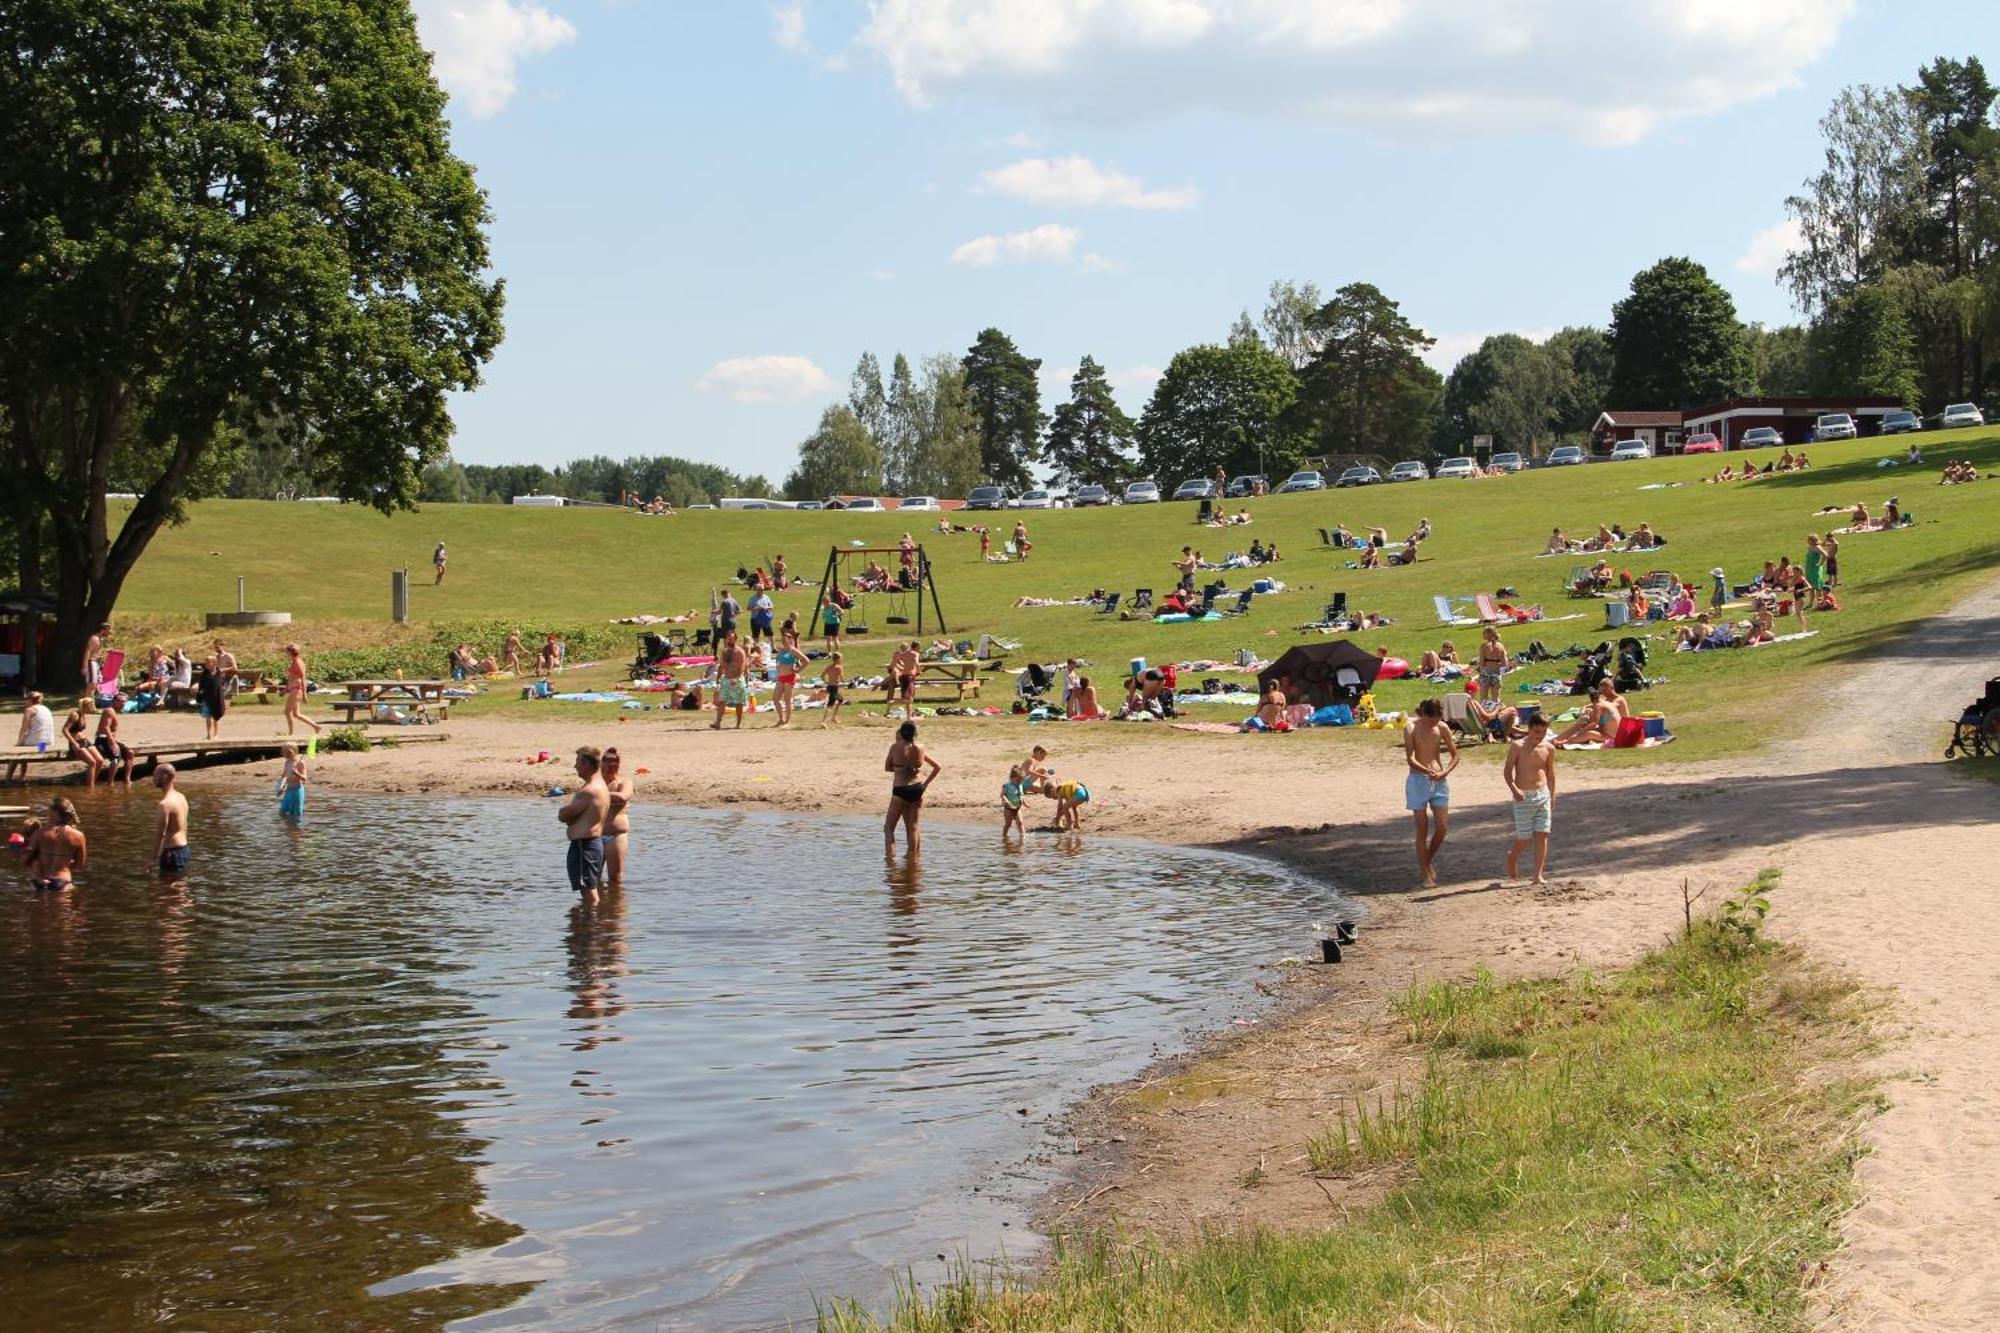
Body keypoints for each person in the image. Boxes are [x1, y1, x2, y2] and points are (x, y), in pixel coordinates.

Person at [1404, 698, 1458, 888]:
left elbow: (1455, 755)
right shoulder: (1411, 728)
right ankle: (1426, 874)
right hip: (1418, 780)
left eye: (1436, 719)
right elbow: (1410, 758)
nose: (1433, 723)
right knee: (1422, 830)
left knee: (1442, 827)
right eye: (1430, 720)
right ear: (1423, 715)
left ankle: (1426, 862)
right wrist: (1426, 771)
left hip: (1439, 780)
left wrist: (1444, 772)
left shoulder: (1442, 727)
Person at [1503, 714, 1557, 884]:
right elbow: (1507, 772)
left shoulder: (1548, 748)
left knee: (1543, 834)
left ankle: (1537, 875)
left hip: (1543, 795)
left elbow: (1551, 774)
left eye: (1542, 732)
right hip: (1523, 797)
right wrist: (1515, 790)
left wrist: (1552, 795)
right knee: (1525, 839)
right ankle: (1512, 857)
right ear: (1529, 729)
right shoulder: (1517, 746)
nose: (1538, 735)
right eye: (1535, 731)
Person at [557, 745, 611, 903]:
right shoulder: (599, 785)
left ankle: (591, 925)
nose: (575, 766)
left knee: (588, 890)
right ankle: (589, 923)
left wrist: (562, 813)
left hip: (585, 845)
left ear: (587, 765)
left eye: (577, 762)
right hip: (590, 844)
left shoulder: (590, 790)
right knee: (588, 888)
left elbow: (567, 813)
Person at [884, 721, 941, 854]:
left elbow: (887, 767)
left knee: (888, 828)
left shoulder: (895, 747)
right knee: (913, 828)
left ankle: (890, 862)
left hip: (900, 789)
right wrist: (925, 785)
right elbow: (937, 767)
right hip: (917, 788)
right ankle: (914, 862)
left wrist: (900, 768)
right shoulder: (920, 748)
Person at [25, 797, 86, 892]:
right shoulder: (78, 835)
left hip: (39, 881)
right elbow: (80, 864)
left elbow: (26, 860)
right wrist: (65, 865)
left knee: (38, 906)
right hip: (62, 881)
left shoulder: (39, 833)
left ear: (53, 813)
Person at [1556, 678, 1628, 746]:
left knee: (1588, 732)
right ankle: (1562, 738)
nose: (1604, 693)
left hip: (1613, 735)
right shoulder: (1605, 701)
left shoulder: (1614, 701)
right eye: (1602, 692)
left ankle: (1565, 741)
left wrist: (1580, 732)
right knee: (1583, 725)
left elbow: (1594, 723)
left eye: (1605, 691)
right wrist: (1584, 711)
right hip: (1610, 728)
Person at [6, 691, 55, 783]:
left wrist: (19, 743)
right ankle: (22, 776)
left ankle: (7, 779)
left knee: (17, 752)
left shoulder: (30, 710)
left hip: (37, 742)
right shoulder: (46, 708)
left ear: (30, 700)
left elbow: (24, 728)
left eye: (26, 700)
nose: (25, 702)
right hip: (47, 743)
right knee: (23, 749)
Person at [601, 746, 632, 891]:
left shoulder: (624, 783)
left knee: (615, 877)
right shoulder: (596, 783)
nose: (610, 764)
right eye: (606, 760)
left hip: (616, 836)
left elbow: (623, 797)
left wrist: (599, 795)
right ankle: (597, 910)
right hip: (596, 835)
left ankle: (616, 910)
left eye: (614, 761)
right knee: (593, 878)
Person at [154, 764, 190, 878]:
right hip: (184, 850)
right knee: (179, 890)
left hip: (172, 852)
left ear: (164, 777)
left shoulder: (165, 804)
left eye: (155, 775)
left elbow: (161, 834)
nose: (153, 778)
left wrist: (152, 859)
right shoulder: (181, 797)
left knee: (167, 892)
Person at [94, 696, 135, 787]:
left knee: (130, 753)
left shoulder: (115, 712)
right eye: (120, 701)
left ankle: (127, 780)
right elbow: (105, 727)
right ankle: (110, 783)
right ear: (114, 701)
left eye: (124, 702)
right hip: (102, 739)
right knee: (116, 757)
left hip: (110, 739)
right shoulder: (109, 711)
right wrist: (112, 743)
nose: (123, 704)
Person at [711, 632, 749, 729]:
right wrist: (718, 677)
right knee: (722, 701)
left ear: (735, 639)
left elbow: (742, 666)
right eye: (728, 638)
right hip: (726, 679)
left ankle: (738, 724)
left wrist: (736, 678)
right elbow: (721, 665)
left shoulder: (740, 651)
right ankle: (717, 723)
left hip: (737, 680)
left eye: (731, 638)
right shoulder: (725, 651)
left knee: (739, 703)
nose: (729, 640)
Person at [282, 642, 320, 736]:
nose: (286, 654)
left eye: (287, 652)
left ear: (291, 652)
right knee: (296, 714)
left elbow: (303, 678)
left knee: (287, 712)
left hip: (296, 690)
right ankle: (316, 727)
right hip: (293, 689)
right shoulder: (294, 662)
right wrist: (286, 689)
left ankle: (291, 734)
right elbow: (292, 678)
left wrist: (304, 694)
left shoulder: (298, 663)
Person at [63, 701, 103, 788]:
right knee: (92, 762)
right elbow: (65, 730)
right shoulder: (74, 715)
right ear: (85, 706)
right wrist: (74, 743)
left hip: (85, 741)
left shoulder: (83, 715)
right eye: (91, 706)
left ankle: (92, 781)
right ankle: (90, 787)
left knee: (100, 760)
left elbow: (79, 730)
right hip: (76, 742)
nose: (92, 708)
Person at [772, 639, 805, 726]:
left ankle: (787, 721)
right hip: (780, 677)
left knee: (787, 700)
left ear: (790, 640)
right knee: (776, 699)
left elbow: (806, 660)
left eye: (785, 639)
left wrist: (798, 670)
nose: (783, 641)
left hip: (789, 677)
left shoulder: (793, 650)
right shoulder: (781, 650)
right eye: (782, 639)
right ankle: (781, 719)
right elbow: (777, 662)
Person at [1475, 627, 1508, 705]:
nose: (1483, 635)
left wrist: (1479, 668)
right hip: (1496, 673)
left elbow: (1481, 662)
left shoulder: (1484, 646)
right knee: (1496, 698)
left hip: (1485, 673)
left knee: (1483, 697)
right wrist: (1496, 664)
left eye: (1484, 633)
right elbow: (1504, 663)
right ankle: (1496, 714)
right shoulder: (1500, 646)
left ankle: (1483, 713)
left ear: (1489, 634)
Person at [887, 641, 919, 721]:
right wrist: (919, 671)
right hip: (910, 677)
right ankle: (891, 703)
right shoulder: (914, 654)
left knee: (908, 699)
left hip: (904, 676)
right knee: (909, 699)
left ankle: (909, 718)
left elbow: (892, 665)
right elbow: (917, 663)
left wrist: (900, 669)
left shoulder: (901, 655)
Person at [277, 742, 308, 819]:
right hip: (288, 790)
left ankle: (296, 828)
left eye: (289, 753)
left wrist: (297, 773)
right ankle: (288, 828)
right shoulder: (287, 762)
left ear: (295, 752)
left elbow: (304, 778)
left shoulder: (300, 763)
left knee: (296, 813)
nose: (287, 755)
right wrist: (281, 788)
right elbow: (284, 777)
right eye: (285, 753)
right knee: (282, 812)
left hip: (297, 790)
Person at [821, 651, 847, 728]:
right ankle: (823, 721)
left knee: (841, 700)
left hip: (829, 686)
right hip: (834, 687)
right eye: (841, 658)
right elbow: (842, 679)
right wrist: (845, 681)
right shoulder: (839, 667)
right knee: (830, 705)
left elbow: (822, 676)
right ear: (838, 659)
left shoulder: (828, 667)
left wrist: (826, 681)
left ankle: (834, 717)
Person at [1001, 765, 1028, 836]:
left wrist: (1025, 803)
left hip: (1017, 807)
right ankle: (1004, 836)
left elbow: (1021, 795)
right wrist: (1006, 801)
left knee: (1020, 822)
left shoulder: (1020, 785)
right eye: (1018, 781)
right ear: (1011, 778)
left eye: (1021, 781)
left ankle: (1022, 836)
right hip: (1008, 808)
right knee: (1008, 824)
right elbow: (1002, 795)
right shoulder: (1007, 786)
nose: (1019, 782)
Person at [82, 623, 107, 695]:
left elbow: (95, 652)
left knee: (94, 684)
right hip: (91, 662)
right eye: (107, 630)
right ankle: (85, 703)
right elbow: (88, 651)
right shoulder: (94, 638)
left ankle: (89, 702)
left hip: (96, 662)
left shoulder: (100, 639)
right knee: (91, 683)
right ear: (102, 630)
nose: (108, 633)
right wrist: (85, 666)